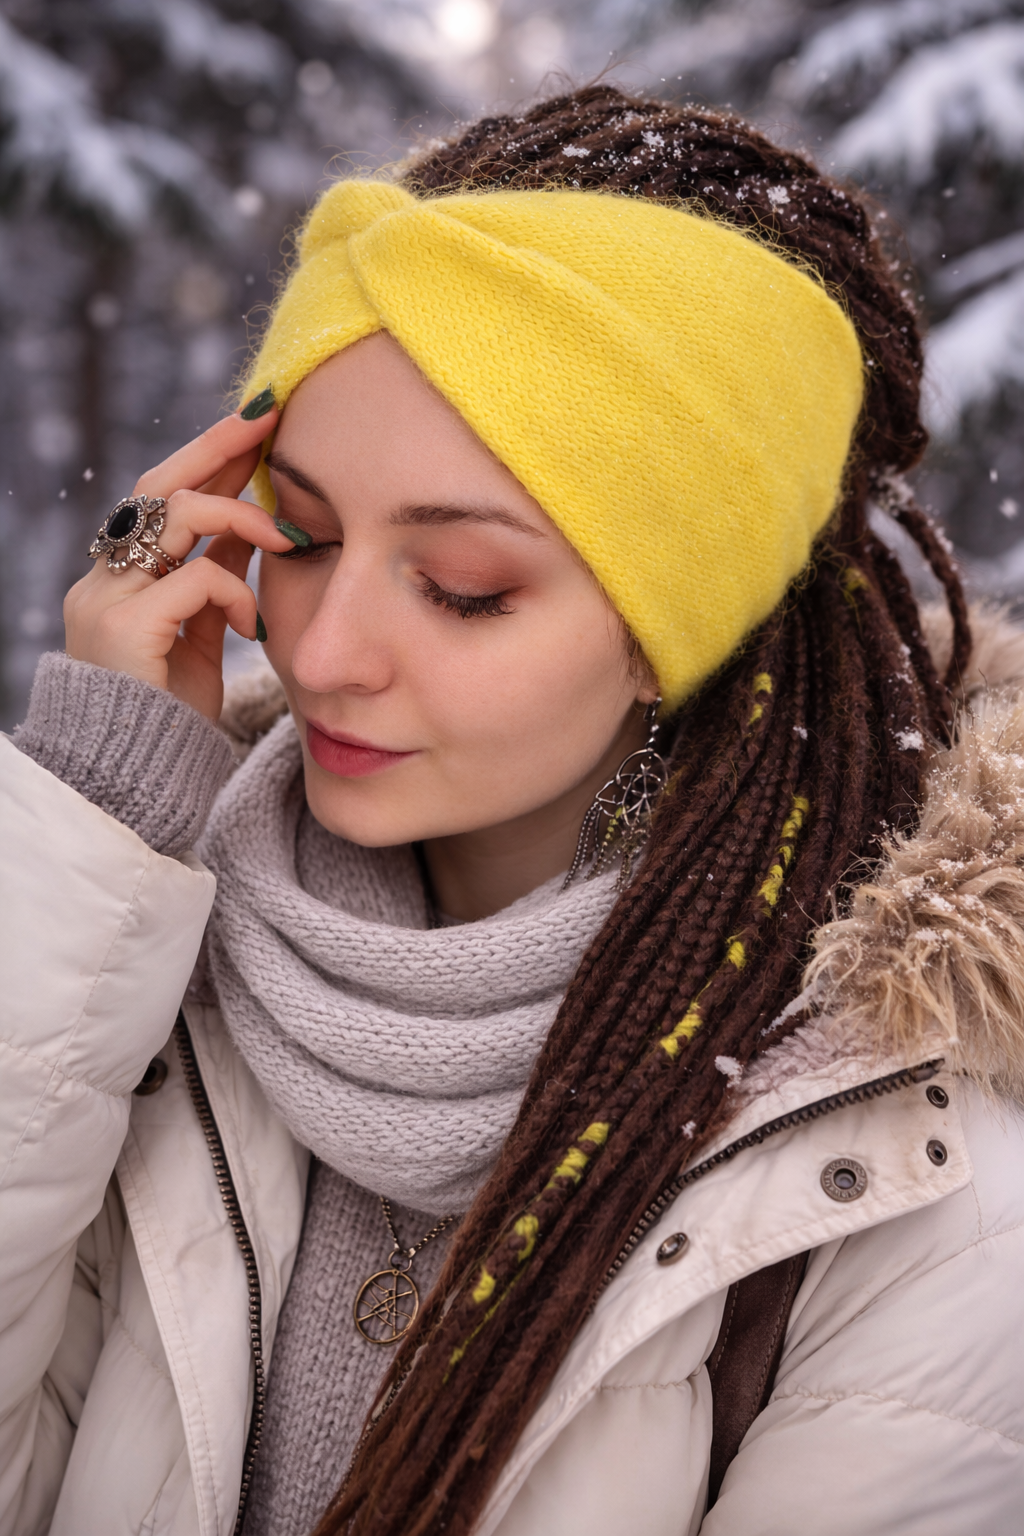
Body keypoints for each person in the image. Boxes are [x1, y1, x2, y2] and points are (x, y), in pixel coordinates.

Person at [3, 84, 1023, 1536]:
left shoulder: (911, 1179)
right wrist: (93, 829)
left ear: (683, 627)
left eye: (463, 587)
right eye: (300, 532)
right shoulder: (144, 969)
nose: (322, 650)